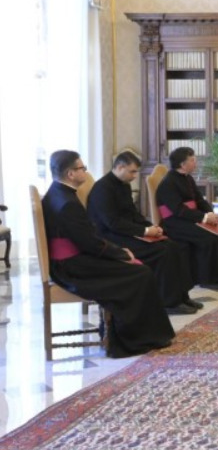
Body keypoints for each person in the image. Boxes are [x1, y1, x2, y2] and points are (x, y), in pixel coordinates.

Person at [41, 150, 174, 358]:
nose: (85, 171)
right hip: (72, 267)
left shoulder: (58, 192)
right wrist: (120, 253)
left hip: (71, 260)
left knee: (139, 270)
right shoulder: (67, 203)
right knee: (140, 274)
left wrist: (117, 252)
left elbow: (87, 238)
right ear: (70, 174)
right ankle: (131, 340)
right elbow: (89, 243)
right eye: (82, 168)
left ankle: (144, 334)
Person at [88, 151, 201, 314]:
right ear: (119, 167)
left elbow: (133, 213)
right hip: (111, 238)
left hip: (125, 232)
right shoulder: (102, 188)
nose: (135, 176)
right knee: (163, 251)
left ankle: (182, 296)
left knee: (173, 246)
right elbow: (112, 223)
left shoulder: (124, 184)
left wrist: (151, 227)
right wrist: (145, 231)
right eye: (132, 171)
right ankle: (169, 302)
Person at [156, 146, 218, 287]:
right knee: (209, 237)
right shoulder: (168, 183)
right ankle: (207, 279)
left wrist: (210, 213)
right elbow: (178, 210)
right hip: (175, 223)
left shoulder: (188, 178)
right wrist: (203, 218)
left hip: (191, 218)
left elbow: (199, 200)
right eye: (193, 160)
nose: (196, 163)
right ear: (183, 164)